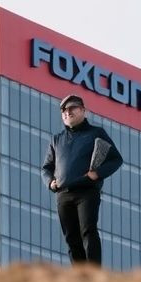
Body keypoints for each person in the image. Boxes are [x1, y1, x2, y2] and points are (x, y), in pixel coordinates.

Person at [40, 93, 123, 266]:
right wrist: (50, 182)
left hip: (87, 192)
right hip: (63, 194)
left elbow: (116, 159)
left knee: (88, 231)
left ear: (83, 110)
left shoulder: (96, 133)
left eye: (72, 108)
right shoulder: (57, 139)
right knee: (71, 237)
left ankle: (93, 271)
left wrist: (97, 173)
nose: (67, 112)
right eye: (64, 110)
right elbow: (46, 167)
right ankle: (79, 273)